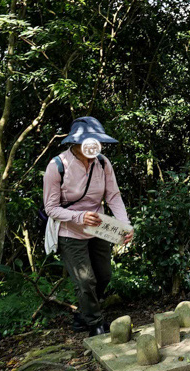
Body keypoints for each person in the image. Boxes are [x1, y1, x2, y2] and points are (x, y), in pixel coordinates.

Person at [43, 117, 133, 337]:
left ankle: (83, 314)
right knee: (85, 281)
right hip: (70, 232)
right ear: (76, 143)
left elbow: (113, 196)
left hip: (99, 228)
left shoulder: (103, 163)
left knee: (103, 276)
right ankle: (95, 325)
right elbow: (51, 208)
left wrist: (125, 225)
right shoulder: (57, 166)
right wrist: (80, 216)